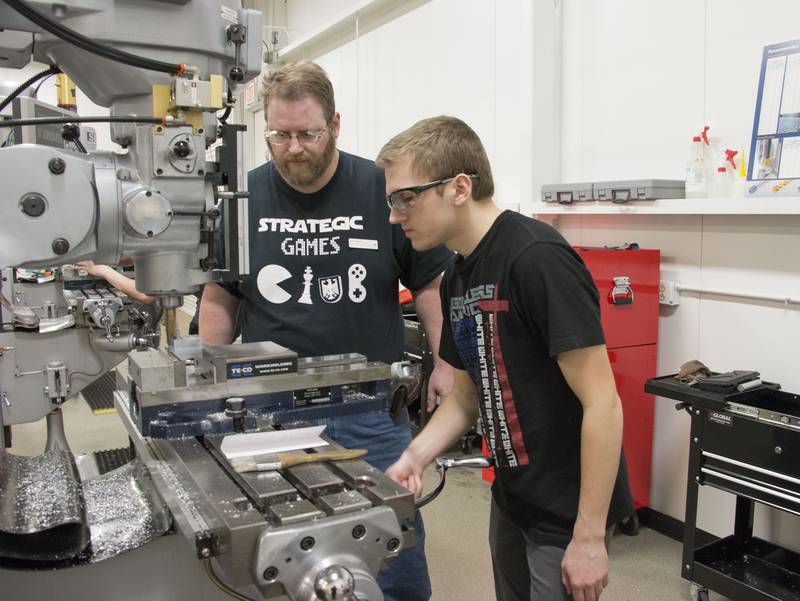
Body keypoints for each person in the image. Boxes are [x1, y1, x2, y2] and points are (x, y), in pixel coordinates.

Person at [199, 61, 454, 601]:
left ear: (335, 124)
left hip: (369, 414)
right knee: (279, 552)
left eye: (307, 134)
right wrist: (208, 382)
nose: (294, 149)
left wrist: (446, 364)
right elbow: (221, 294)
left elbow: (430, 284)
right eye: (280, 135)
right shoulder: (241, 200)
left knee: (394, 544)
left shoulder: (382, 188)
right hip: (271, 412)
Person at [378, 116, 634, 601]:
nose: (396, 215)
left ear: (458, 187)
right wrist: (415, 456)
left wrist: (589, 536)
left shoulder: (537, 258)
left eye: (406, 198)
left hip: (565, 511)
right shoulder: (457, 276)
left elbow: (604, 404)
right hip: (513, 495)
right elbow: (464, 401)